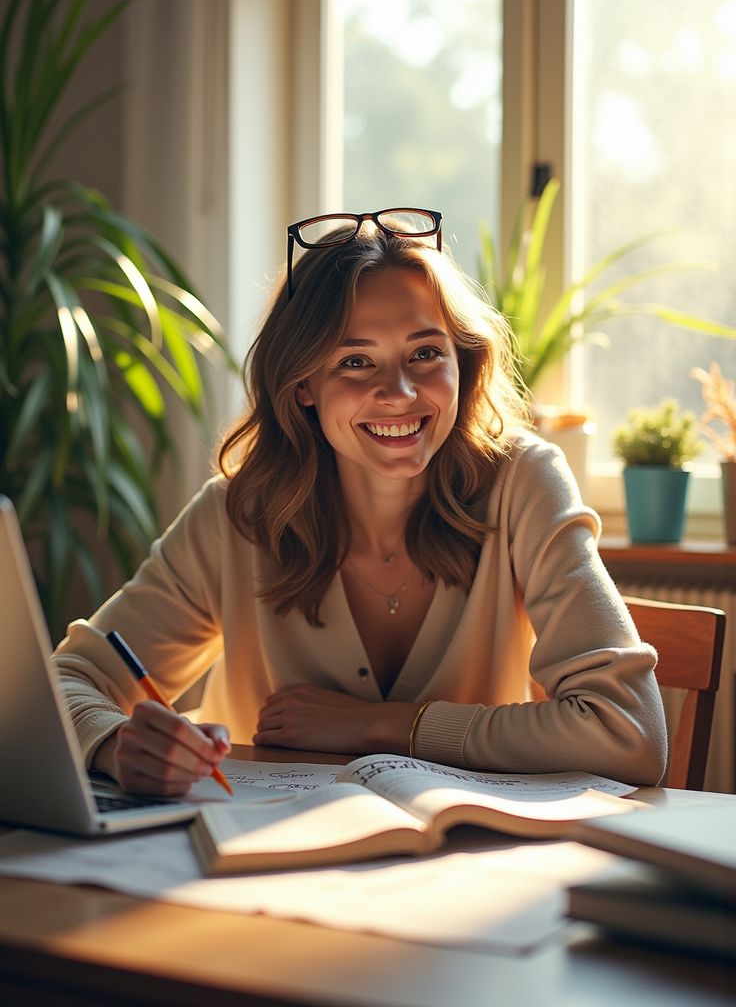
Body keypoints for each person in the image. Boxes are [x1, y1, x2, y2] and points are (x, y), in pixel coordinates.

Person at [54, 208, 668, 797]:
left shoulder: (524, 482)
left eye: (426, 353)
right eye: (354, 361)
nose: (398, 393)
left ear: (464, 364)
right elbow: (66, 680)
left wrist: (384, 725)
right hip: (255, 875)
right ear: (302, 388)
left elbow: (629, 733)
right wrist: (113, 744)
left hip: (464, 872)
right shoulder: (237, 515)